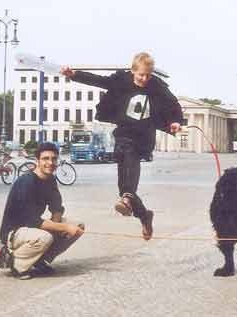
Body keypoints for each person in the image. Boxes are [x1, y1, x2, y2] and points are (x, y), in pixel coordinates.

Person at [60, 52, 183, 240]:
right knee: (124, 186)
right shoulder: (121, 80)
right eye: (141, 74)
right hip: (124, 132)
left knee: (129, 173)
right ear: (133, 71)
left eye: (148, 75)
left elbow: (172, 103)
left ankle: (128, 199)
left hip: (143, 135)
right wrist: (74, 75)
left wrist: (175, 121)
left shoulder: (156, 85)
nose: (144, 79)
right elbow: (99, 81)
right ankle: (144, 214)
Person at [0, 143, 85, 280]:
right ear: (37, 160)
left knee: (78, 225)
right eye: (45, 158)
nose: (50, 163)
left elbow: (57, 207)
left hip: (32, 228)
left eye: (54, 159)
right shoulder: (27, 182)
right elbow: (31, 220)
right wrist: (64, 227)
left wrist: (57, 226)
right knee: (46, 237)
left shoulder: (50, 179)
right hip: (14, 231)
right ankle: (16, 264)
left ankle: (39, 260)